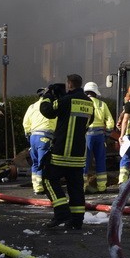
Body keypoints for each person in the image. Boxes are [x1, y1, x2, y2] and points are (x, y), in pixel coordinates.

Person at [39, 74, 93, 229]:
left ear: (69, 84)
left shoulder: (65, 101)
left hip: (61, 152)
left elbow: (47, 111)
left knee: (48, 179)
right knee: (75, 187)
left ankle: (61, 212)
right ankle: (76, 221)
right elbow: (87, 124)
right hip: (78, 155)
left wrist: (48, 95)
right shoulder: (89, 103)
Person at [82, 82, 114, 193]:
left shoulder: (82, 104)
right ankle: (102, 187)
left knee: (84, 161)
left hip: (87, 135)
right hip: (100, 136)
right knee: (100, 161)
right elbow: (110, 122)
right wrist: (107, 134)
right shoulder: (102, 104)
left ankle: (83, 186)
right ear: (95, 93)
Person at [22, 88, 55, 194]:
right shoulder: (50, 107)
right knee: (43, 163)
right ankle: (42, 187)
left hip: (33, 137)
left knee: (35, 163)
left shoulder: (32, 106)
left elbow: (25, 123)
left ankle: (36, 187)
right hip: (45, 137)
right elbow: (56, 122)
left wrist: (28, 135)